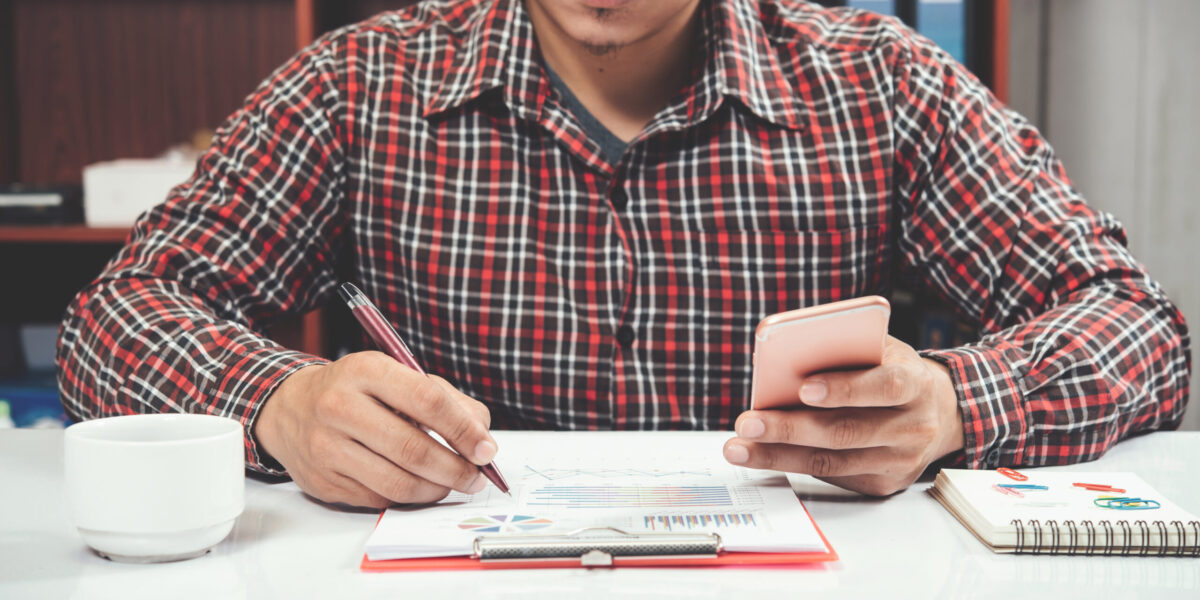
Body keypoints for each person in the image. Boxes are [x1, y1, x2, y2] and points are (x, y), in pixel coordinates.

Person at [58, 0, 1190, 508]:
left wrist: (956, 403)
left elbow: (1134, 322)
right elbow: (119, 316)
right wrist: (279, 403)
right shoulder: (361, 87)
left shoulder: (881, 84)